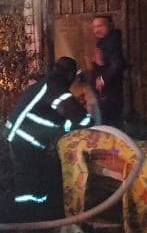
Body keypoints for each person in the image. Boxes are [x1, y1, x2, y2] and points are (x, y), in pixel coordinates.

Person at [5, 57, 91, 219]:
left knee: (36, 177)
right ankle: (29, 221)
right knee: (29, 180)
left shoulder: (46, 84)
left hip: (23, 138)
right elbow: (75, 114)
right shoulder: (55, 87)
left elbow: (61, 119)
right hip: (23, 139)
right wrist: (91, 124)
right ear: (70, 75)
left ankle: (38, 218)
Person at [90, 13, 127, 127]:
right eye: (94, 27)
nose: (96, 30)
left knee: (111, 121)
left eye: (100, 26)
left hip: (112, 90)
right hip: (106, 90)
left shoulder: (112, 40)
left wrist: (102, 79)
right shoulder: (103, 41)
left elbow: (117, 63)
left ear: (110, 25)